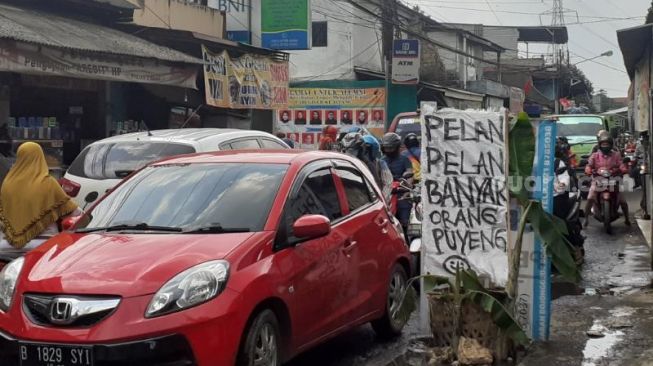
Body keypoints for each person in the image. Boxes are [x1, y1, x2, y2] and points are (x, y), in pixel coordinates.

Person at [0, 142, 81, 250]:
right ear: (40, 158)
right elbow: (74, 212)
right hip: (43, 245)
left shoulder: (7, 184)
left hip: (7, 246)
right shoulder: (48, 183)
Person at [584, 135, 630, 227]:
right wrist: (588, 170)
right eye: (603, 144)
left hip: (613, 179)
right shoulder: (595, 155)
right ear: (600, 145)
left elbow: (621, 164)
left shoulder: (616, 155)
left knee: (623, 201)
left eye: (607, 144)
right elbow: (589, 165)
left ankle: (627, 218)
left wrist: (623, 169)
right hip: (598, 180)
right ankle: (586, 219)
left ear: (611, 145)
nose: (605, 146)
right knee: (590, 198)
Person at [381, 133, 413, 232]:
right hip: (385, 194)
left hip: (401, 193)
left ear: (397, 146)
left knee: (405, 219)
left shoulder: (405, 160)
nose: (389, 150)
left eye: (391, 148)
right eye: (386, 148)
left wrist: (407, 187)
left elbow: (410, 174)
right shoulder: (381, 161)